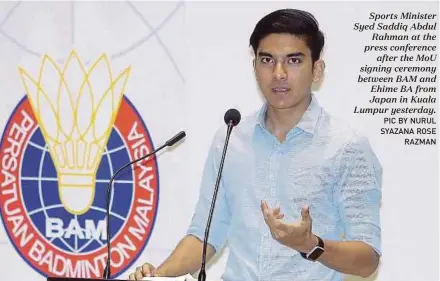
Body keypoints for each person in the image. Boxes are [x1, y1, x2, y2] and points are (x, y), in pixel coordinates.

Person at [129, 8, 382, 281]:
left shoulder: (347, 146)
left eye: (294, 60)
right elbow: (206, 234)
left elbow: (367, 259)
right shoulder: (231, 138)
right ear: (255, 67)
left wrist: (310, 244)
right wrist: (157, 275)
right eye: (267, 60)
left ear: (317, 69)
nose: (279, 73)